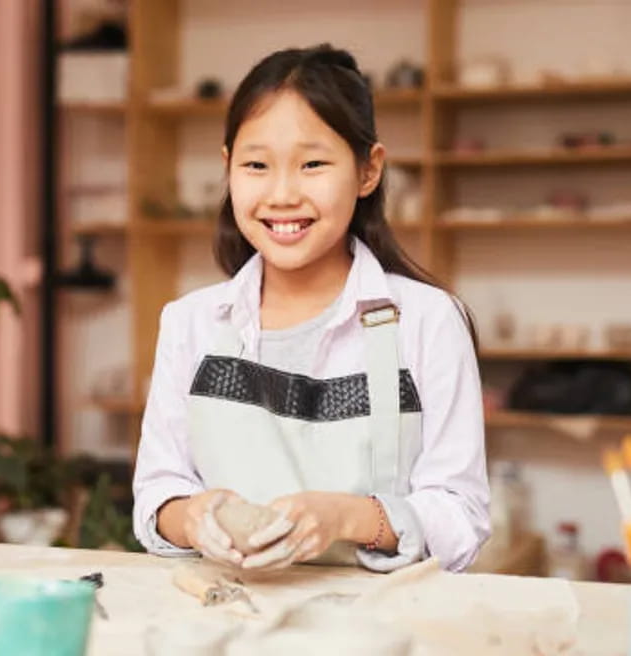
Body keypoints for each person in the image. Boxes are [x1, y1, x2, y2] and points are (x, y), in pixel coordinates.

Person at [132, 44, 489, 573]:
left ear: (368, 171)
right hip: (228, 616)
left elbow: (462, 519)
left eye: (313, 164)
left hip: (377, 635)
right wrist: (193, 516)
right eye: (257, 165)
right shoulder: (190, 323)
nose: (281, 194)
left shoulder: (430, 320)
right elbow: (158, 494)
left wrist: (346, 518)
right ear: (229, 170)